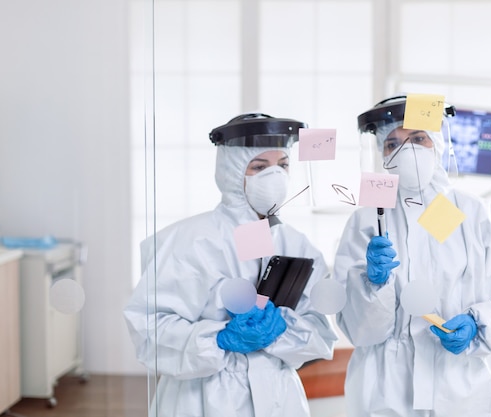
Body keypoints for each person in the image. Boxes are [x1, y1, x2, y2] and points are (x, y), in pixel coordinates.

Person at [333, 96, 491, 417]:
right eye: (393, 143)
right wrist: (372, 286)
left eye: (417, 138)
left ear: (437, 143)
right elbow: (360, 331)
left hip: (465, 390)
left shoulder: (478, 216)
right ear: (383, 155)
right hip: (386, 390)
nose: (407, 151)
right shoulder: (366, 221)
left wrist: (479, 324)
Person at [124, 113, 337, 417]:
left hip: (277, 393)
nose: (274, 176)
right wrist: (219, 338)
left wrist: (282, 330)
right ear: (232, 172)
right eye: (260, 167)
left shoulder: (296, 244)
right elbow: (147, 327)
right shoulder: (189, 241)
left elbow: (320, 328)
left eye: (283, 165)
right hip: (203, 396)